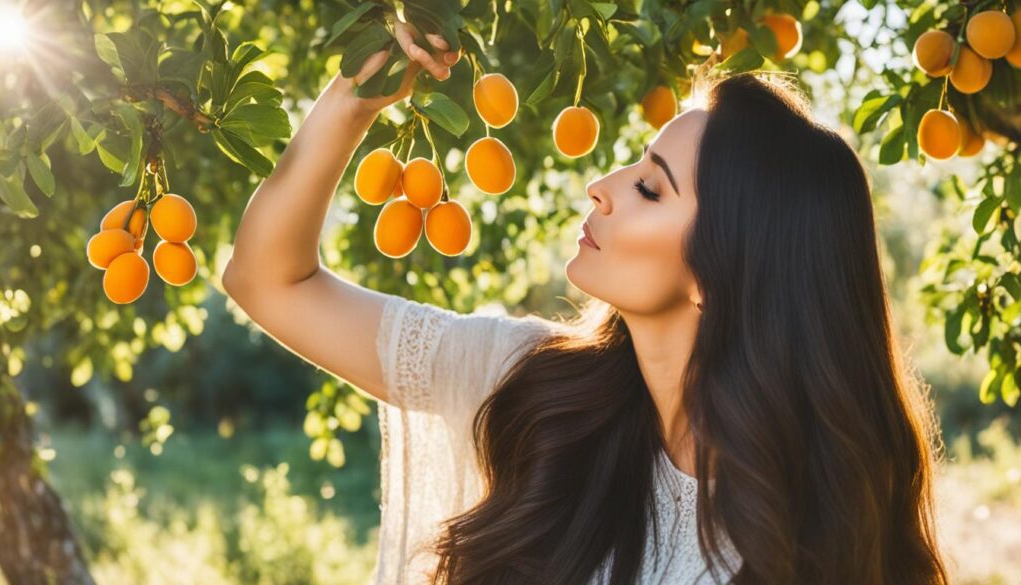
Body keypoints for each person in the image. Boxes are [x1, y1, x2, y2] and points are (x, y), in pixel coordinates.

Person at [222, 15, 950, 585]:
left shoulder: (820, 538)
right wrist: (355, 100)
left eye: (650, 186)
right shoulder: (528, 385)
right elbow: (268, 279)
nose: (603, 184)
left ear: (719, 273)